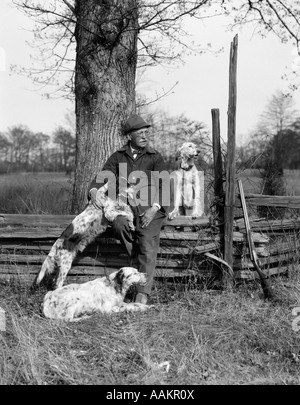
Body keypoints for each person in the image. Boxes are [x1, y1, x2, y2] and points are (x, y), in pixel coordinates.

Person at [88, 114, 169, 305]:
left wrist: (154, 208)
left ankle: (142, 294)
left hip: (151, 209)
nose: (144, 136)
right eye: (140, 133)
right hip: (125, 208)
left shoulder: (154, 157)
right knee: (118, 225)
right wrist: (93, 191)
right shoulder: (118, 156)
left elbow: (165, 185)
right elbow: (103, 177)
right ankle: (137, 264)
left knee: (147, 241)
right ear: (130, 136)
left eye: (146, 132)